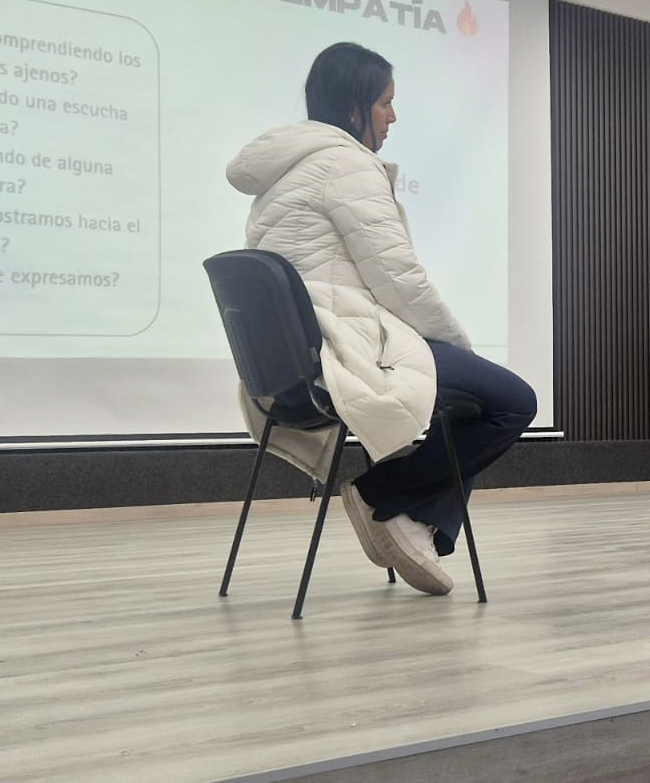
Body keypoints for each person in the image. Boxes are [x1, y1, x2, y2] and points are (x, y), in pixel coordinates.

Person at [226, 42, 535, 595]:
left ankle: (412, 521)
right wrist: (458, 345)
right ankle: (385, 498)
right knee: (512, 400)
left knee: (473, 398)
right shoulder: (346, 165)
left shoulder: (282, 177)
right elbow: (399, 280)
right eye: (385, 103)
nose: (393, 116)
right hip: (348, 346)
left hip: (298, 363)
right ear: (354, 106)